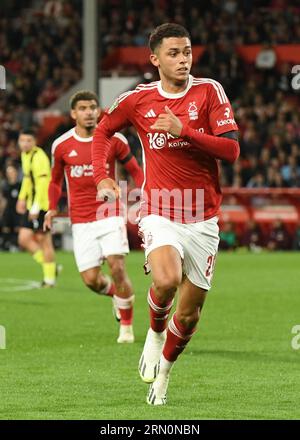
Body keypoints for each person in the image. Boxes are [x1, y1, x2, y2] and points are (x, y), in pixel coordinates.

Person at [92, 23, 240, 405]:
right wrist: (102, 177)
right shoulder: (137, 100)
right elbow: (102, 132)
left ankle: (165, 376)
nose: (183, 59)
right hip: (161, 209)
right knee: (167, 278)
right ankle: (154, 333)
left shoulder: (209, 91)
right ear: (155, 59)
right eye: (173, 53)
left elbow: (231, 151)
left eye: (187, 51)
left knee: (189, 316)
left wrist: (185, 130)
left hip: (203, 217)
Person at [44, 90, 144, 344]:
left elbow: (135, 170)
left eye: (93, 107)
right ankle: (117, 297)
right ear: (73, 114)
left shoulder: (115, 139)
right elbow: (55, 182)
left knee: (117, 267)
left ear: (99, 111)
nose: (89, 112)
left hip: (108, 212)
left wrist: (147, 194)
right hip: (81, 220)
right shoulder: (61, 145)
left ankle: (127, 328)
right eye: (83, 108)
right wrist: (52, 208)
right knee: (90, 280)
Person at [16, 129, 58, 287]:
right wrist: (21, 198)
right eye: (22, 140)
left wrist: (35, 207)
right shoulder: (25, 155)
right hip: (32, 203)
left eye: (28, 140)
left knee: (44, 241)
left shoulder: (39, 157)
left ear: (34, 142)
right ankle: (51, 267)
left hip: (42, 205)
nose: (25, 143)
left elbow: (43, 184)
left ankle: (49, 279)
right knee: (23, 238)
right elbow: (27, 179)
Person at [1, 164, 21, 251]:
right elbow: (3, 200)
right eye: (8, 172)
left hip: (17, 211)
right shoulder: (5, 185)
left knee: (17, 229)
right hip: (8, 210)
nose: (10, 174)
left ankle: (15, 245)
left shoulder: (20, 185)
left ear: (16, 173)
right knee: (6, 228)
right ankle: (6, 245)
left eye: (12, 172)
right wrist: (2, 211)